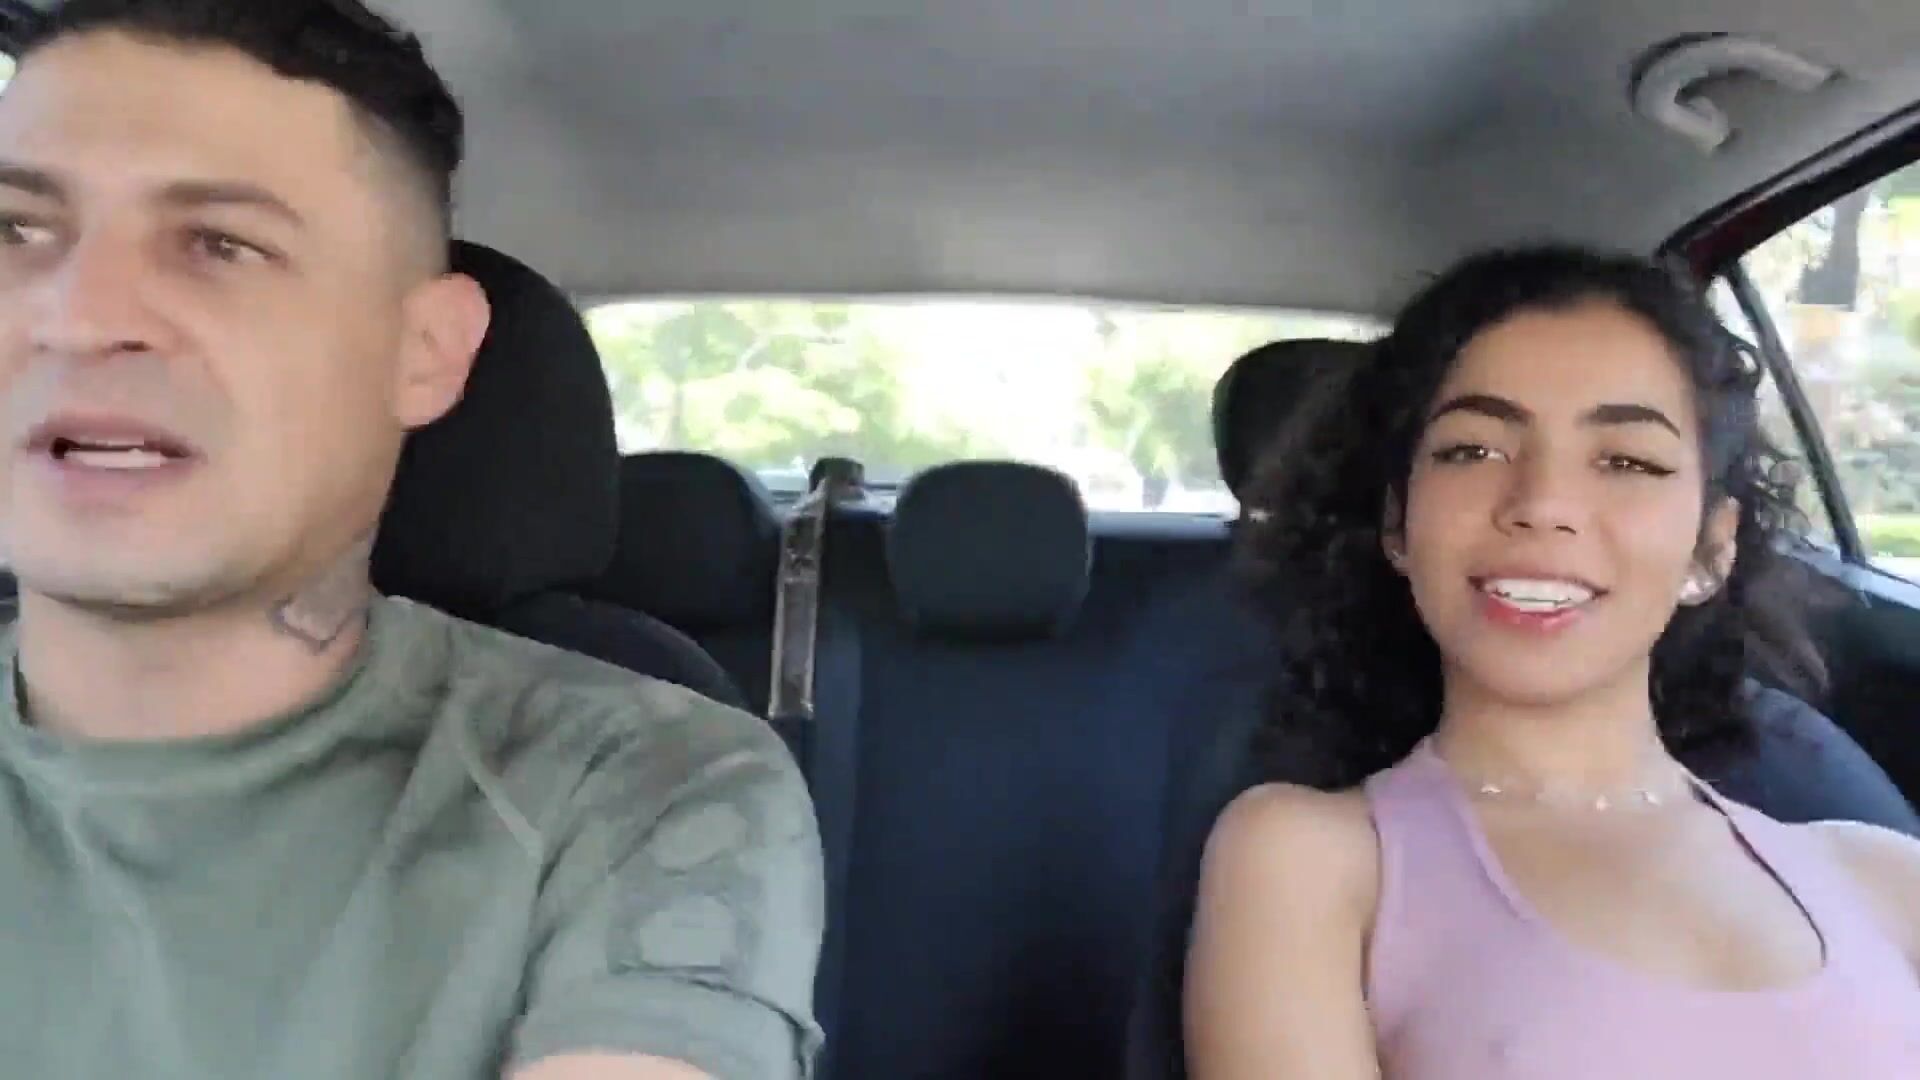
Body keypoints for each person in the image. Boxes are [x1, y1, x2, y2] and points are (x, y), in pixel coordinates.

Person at [0, 2, 822, 1078]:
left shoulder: (632, 782)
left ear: (425, 352)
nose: (73, 313)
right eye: (14, 230)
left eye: (220, 244)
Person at [1183, 245, 1920, 1078]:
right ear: (1398, 524)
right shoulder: (1309, 859)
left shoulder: (1886, 878)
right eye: (1473, 450)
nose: (1542, 505)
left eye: (1627, 461)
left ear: (1711, 548)